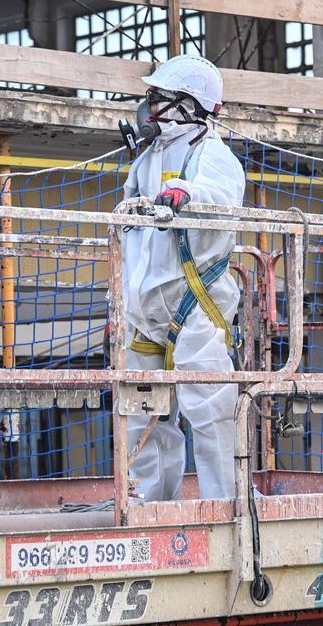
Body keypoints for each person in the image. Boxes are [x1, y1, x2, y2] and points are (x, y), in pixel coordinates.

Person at [118, 54, 246, 501]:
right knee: (142, 412)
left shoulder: (211, 153)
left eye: (161, 99)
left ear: (189, 106)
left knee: (209, 410)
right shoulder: (148, 157)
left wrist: (185, 192)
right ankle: (150, 503)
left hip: (194, 303)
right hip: (146, 309)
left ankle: (222, 504)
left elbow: (222, 196)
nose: (150, 107)